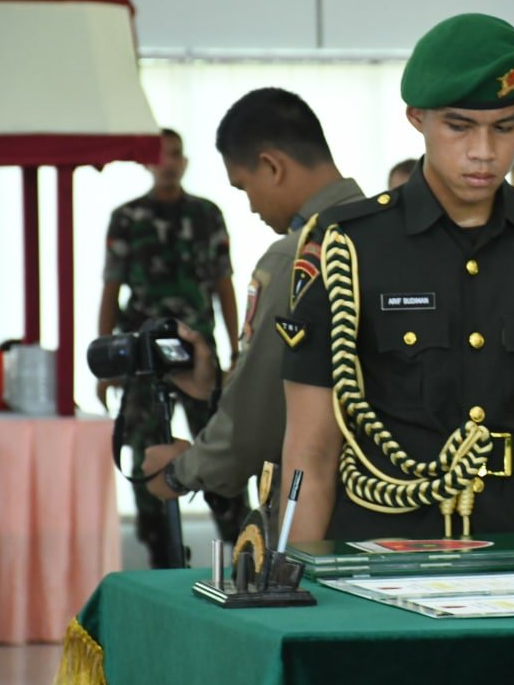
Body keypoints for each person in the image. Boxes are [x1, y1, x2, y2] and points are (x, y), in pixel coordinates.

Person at [277, 13, 514, 555]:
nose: (484, 151)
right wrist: (298, 575)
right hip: (386, 546)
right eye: (459, 127)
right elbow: (312, 449)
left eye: (505, 127)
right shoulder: (349, 246)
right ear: (417, 118)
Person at [138, 89, 365, 514]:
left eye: (244, 187)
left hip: (323, 508)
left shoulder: (296, 258)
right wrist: (217, 386)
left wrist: (178, 472)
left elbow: (257, 421)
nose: (251, 207)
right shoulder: (394, 234)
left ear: (272, 167)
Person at [97, 127, 247, 568]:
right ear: (147, 162)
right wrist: (108, 364)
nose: (168, 163)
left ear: (185, 162)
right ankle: (160, 554)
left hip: (198, 354)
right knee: (146, 455)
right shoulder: (127, 218)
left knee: (222, 449)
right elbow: (111, 290)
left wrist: (237, 350)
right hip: (144, 358)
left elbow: (224, 284)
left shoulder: (206, 214)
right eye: (160, 155)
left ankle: (243, 550)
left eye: (175, 154)